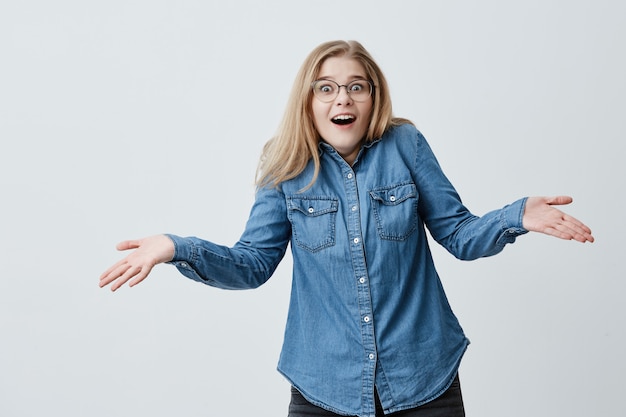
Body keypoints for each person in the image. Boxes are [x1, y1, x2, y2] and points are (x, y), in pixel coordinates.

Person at [99, 40, 594, 417]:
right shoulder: (285, 165)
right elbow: (251, 264)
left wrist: (515, 216)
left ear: (372, 95)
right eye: (328, 87)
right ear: (310, 100)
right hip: (324, 388)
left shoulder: (406, 144)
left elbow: (459, 234)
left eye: (357, 86)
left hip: (424, 381)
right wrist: (176, 247)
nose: (344, 98)